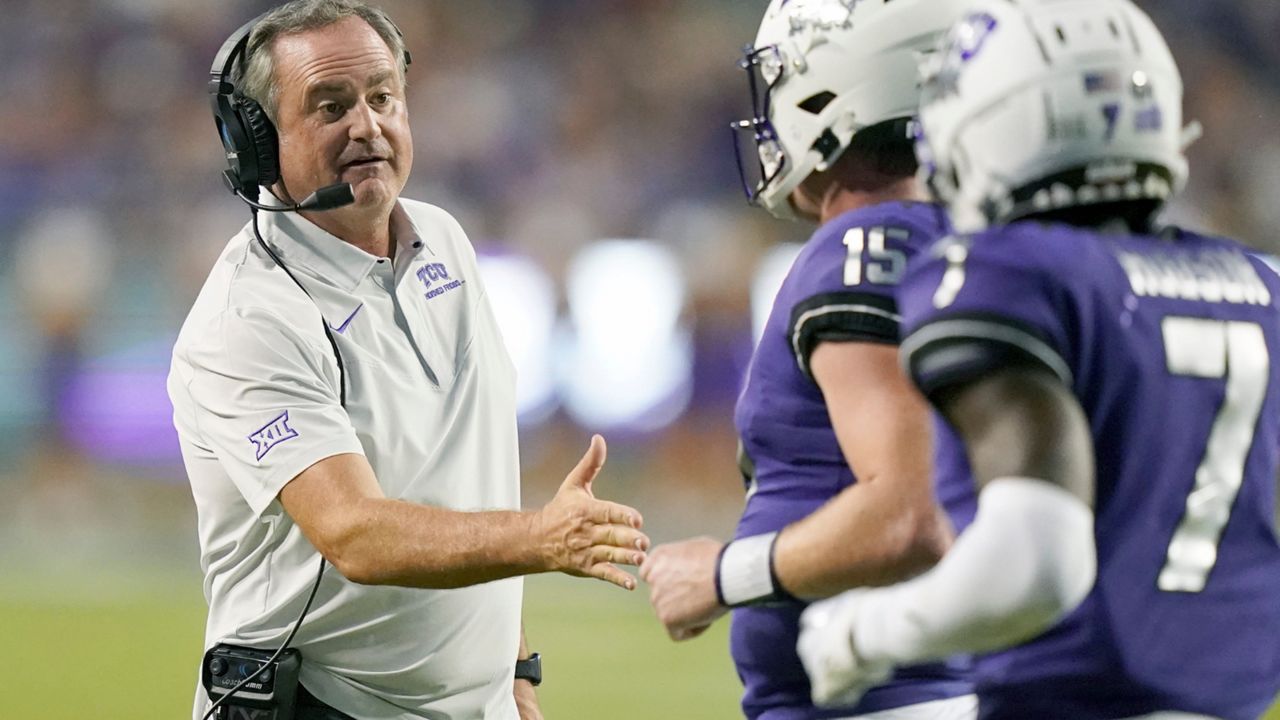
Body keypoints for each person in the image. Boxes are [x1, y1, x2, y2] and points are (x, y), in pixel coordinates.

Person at [798, 1, 1280, 718]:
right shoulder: (1257, 284)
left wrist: (859, 634)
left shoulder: (1005, 271)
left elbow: (1036, 562)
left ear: (996, 121)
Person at [169, 2, 649, 719]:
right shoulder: (250, 318)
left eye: (383, 97)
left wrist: (513, 667)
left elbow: (465, 473)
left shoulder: (445, 242)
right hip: (317, 705)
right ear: (258, 142)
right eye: (330, 106)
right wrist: (541, 538)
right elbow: (353, 532)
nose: (367, 125)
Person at [639, 1, 980, 718]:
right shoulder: (958, 247)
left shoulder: (865, 245)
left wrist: (726, 573)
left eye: (784, 80)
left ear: (837, 89)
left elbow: (910, 511)